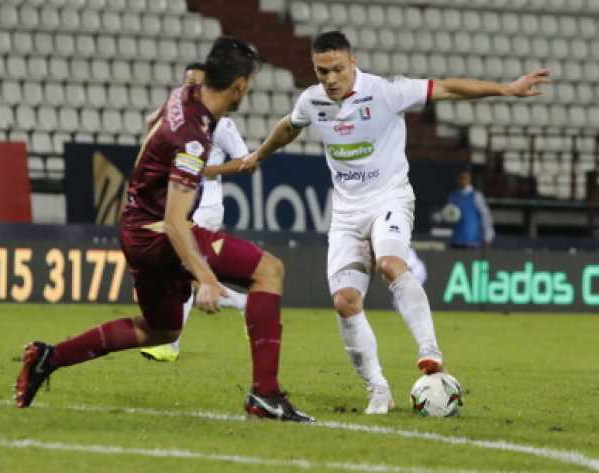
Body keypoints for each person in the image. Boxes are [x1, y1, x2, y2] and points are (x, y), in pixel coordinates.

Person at [240, 30, 549, 414]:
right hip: (346, 214)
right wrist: (259, 154)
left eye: (337, 69)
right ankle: (378, 388)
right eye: (322, 72)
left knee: (390, 264)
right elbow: (290, 125)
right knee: (344, 301)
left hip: (390, 198)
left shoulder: (386, 91)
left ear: (353, 62)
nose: (331, 79)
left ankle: (429, 351)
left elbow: (448, 89)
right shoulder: (313, 100)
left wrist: (505, 90)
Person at [14, 36, 314, 423]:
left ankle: (48, 358)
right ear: (239, 86)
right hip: (158, 231)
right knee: (269, 270)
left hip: (135, 225)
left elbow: (151, 126)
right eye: (249, 85)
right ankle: (266, 395)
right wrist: (204, 277)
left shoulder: (184, 94)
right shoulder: (191, 140)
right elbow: (175, 222)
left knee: (161, 330)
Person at [140, 62, 249, 362]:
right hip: (181, 206)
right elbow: (151, 129)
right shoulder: (179, 117)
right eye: (187, 81)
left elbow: (246, 161)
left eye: (197, 82)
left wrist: (209, 168)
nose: (191, 87)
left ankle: (168, 344)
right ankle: (245, 305)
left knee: (181, 271)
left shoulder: (223, 124)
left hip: (207, 206)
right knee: (184, 274)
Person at [448, 170, 495, 249]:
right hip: (456, 240)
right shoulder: (453, 196)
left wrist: (488, 235)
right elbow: (449, 216)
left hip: (473, 240)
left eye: (465, 178)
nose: (463, 180)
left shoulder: (476, 195)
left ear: (470, 179)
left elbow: (485, 216)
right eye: (461, 178)